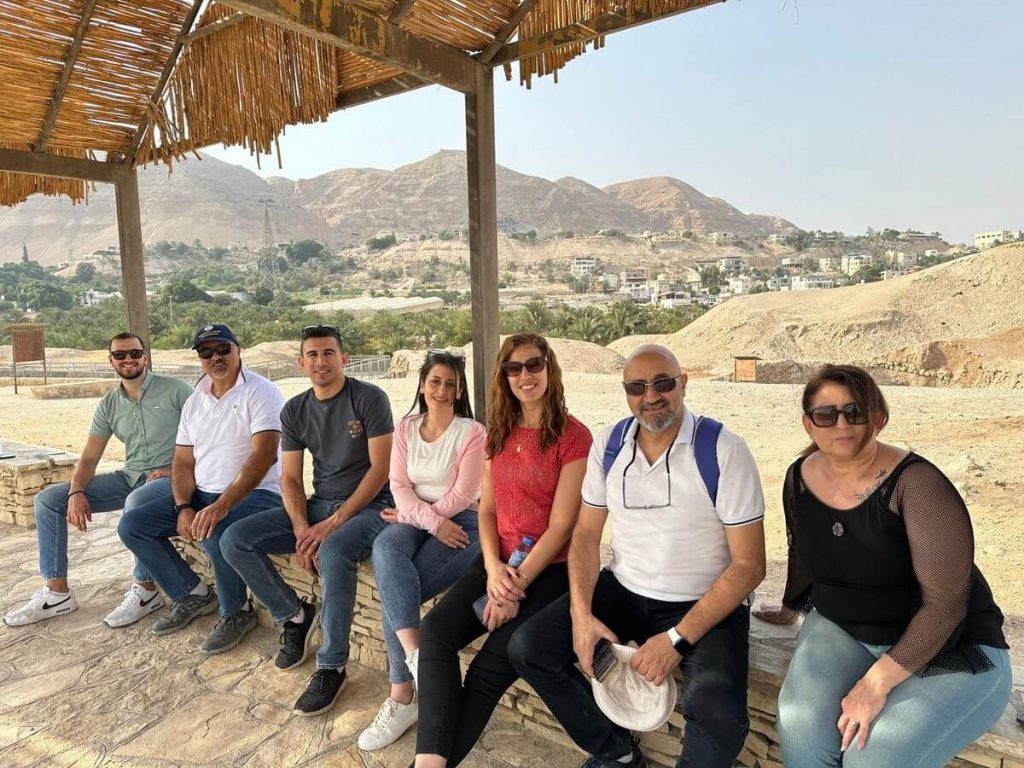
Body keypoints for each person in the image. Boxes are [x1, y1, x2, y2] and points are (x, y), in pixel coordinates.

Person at [511, 344, 767, 768]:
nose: (650, 396)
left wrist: (676, 640)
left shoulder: (723, 451)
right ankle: (617, 752)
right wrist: (581, 616)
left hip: (703, 600)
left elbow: (749, 566)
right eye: (637, 387)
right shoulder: (611, 445)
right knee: (529, 648)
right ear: (626, 392)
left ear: (683, 383)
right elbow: (585, 535)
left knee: (718, 716)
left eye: (663, 383)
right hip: (625, 589)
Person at [753, 364, 1011, 768]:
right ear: (808, 424)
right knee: (802, 733)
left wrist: (876, 684)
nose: (842, 424)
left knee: (870, 758)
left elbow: (946, 606)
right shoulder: (799, 477)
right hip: (847, 629)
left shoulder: (917, 484)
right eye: (827, 414)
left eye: (854, 412)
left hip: (950, 647)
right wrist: (789, 610)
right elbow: (803, 552)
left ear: (879, 419)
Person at [413, 333, 592, 768]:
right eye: (514, 368)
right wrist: (493, 571)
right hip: (498, 560)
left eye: (534, 364)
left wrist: (513, 588)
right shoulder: (498, 433)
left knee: (488, 669)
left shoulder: (573, 437)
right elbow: (488, 511)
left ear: (549, 368)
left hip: (551, 569)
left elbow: (562, 526)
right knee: (435, 632)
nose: (524, 375)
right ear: (504, 377)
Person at [221, 324, 394, 716]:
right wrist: (302, 528)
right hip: (319, 504)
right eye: (312, 354)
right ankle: (294, 615)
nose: (321, 361)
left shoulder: (369, 398)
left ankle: (332, 666)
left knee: (333, 551)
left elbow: (380, 470)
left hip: (371, 506)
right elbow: (289, 479)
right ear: (301, 362)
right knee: (235, 539)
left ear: (343, 358)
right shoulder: (295, 410)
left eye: (328, 353)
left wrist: (331, 525)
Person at [4, 333, 193, 628]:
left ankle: (146, 590)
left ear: (145, 357)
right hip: (130, 475)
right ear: (111, 360)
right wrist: (76, 491)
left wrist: (175, 469)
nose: (128, 359)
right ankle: (57, 593)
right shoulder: (109, 404)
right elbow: (90, 458)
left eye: (134, 353)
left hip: (168, 478)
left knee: (137, 500)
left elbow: (207, 436)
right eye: (120, 355)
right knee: (48, 500)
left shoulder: (176, 389)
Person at [118, 323, 284, 653]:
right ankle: (191, 593)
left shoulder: (261, 392)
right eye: (206, 352)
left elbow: (264, 455)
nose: (215, 357)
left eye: (223, 348)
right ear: (199, 358)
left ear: (238, 350)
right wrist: (183, 506)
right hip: (203, 493)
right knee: (133, 525)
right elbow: (182, 462)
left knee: (213, 529)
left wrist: (221, 505)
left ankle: (236, 612)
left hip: (256, 494)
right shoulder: (196, 401)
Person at [358, 350, 486, 751]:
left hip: (462, 523)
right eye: (435, 382)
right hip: (415, 517)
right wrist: (426, 520)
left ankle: (401, 697)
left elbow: (463, 493)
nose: (442, 390)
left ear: (459, 390)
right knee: (385, 546)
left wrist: (425, 518)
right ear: (422, 385)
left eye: (450, 384)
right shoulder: (406, 428)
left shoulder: (472, 432)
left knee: (396, 593)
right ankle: (419, 660)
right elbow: (398, 485)